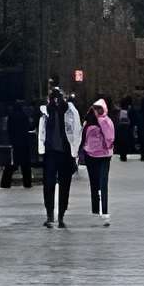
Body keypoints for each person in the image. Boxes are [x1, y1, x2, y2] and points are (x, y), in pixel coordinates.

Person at [38, 86, 82, 227]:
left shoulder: (69, 111)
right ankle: (50, 215)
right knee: (49, 184)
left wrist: (75, 153)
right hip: (51, 153)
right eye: (53, 98)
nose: (56, 100)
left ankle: (61, 215)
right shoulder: (46, 112)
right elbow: (41, 132)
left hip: (65, 153)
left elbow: (76, 131)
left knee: (64, 185)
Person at [80, 97, 116, 223]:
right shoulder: (107, 121)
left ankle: (95, 210)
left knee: (94, 185)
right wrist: (108, 146)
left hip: (90, 155)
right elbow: (110, 138)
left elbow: (82, 137)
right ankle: (104, 210)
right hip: (104, 156)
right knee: (103, 184)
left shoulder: (87, 122)